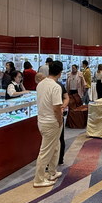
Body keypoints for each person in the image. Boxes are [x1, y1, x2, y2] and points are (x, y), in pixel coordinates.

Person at [33, 60, 64, 188]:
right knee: (45, 152)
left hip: (42, 120)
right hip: (51, 122)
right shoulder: (56, 87)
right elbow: (57, 108)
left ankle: (52, 172)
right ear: (60, 73)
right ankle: (39, 179)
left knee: (56, 146)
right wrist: (60, 120)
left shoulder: (40, 84)